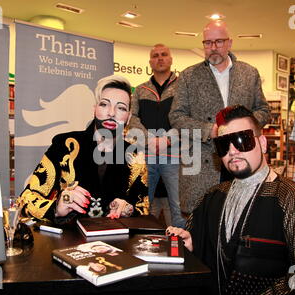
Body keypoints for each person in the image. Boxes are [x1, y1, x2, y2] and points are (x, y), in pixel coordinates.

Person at [167, 105, 295, 295]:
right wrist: (191, 243)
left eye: (242, 140)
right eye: (223, 145)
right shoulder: (214, 196)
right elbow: (203, 249)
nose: (232, 151)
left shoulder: (292, 198)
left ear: (262, 143)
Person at [168, 20, 271, 216]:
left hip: (242, 157)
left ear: (230, 43)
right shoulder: (189, 76)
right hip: (202, 163)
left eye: (219, 41)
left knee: (242, 219)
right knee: (201, 224)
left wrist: (242, 129)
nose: (213, 48)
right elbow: (176, 116)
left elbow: (263, 110)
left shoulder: (249, 73)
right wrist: (210, 130)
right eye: (208, 43)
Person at [18, 75, 149, 223]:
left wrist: (127, 208)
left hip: (116, 240)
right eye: (104, 104)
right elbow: (26, 199)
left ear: (129, 116)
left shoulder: (135, 156)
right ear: (94, 109)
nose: (111, 113)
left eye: (121, 108)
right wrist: (57, 207)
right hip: (67, 239)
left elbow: (143, 206)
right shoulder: (65, 145)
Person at [128, 43, 185, 228]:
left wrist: (168, 139)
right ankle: (139, 244)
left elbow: (186, 119)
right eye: (155, 55)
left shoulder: (183, 88)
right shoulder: (140, 90)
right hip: (146, 156)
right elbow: (132, 118)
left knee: (178, 206)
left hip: (174, 157)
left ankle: (183, 247)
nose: (160, 58)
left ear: (171, 59)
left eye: (164, 54)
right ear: (150, 62)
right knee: (144, 203)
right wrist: (149, 140)